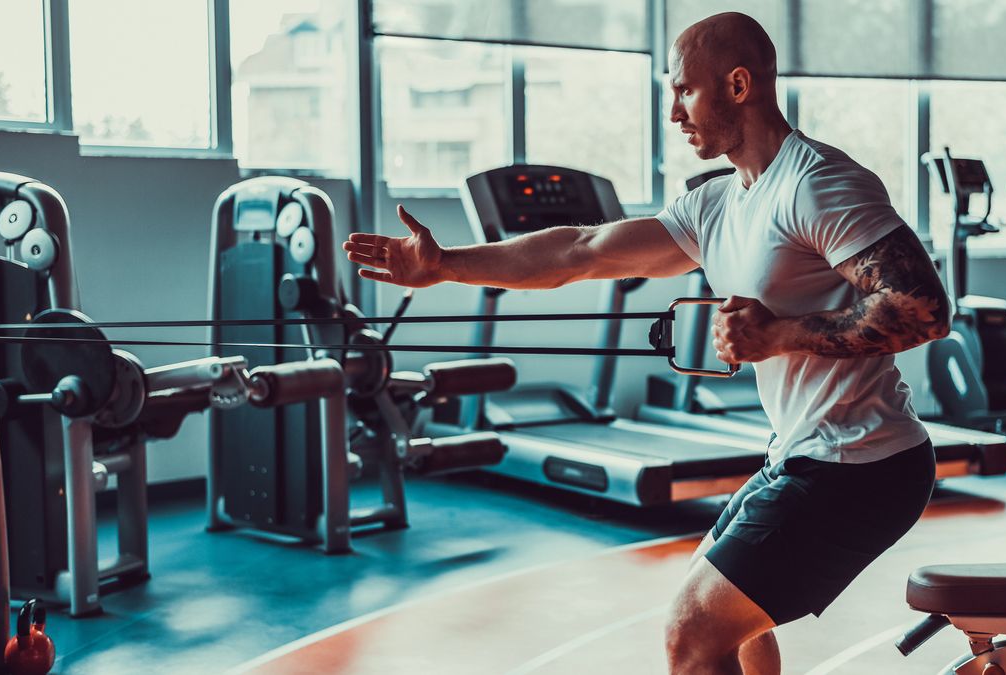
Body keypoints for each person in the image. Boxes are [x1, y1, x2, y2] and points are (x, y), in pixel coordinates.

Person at [343, 11, 949, 675]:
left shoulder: (818, 183)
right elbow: (581, 250)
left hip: (862, 465)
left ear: (739, 85)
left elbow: (921, 308)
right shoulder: (720, 202)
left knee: (691, 634)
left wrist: (779, 333)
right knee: (735, 618)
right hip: (805, 452)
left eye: (684, 91)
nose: (673, 113)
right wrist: (447, 264)